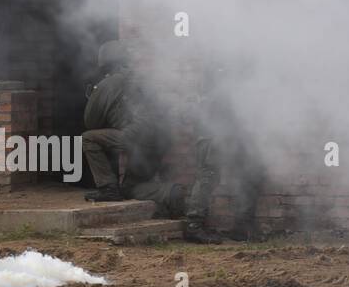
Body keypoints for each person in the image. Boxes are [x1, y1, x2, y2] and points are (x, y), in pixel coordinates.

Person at [81, 40, 180, 214]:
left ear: (105, 62)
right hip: (160, 140)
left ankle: (108, 188)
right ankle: (171, 193)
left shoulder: (108, 84)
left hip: (135, 138)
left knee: (88, 138)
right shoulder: (142, 79)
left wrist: (93, 98)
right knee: (131, 188)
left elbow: (91, 123)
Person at [182, 64, 265, 242]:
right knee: (208, 176)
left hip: (223, 135)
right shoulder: (219, 84)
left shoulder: (223, 83)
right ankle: (193, 226)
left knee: (251, 172)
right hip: (212, 137)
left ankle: (242, 227)